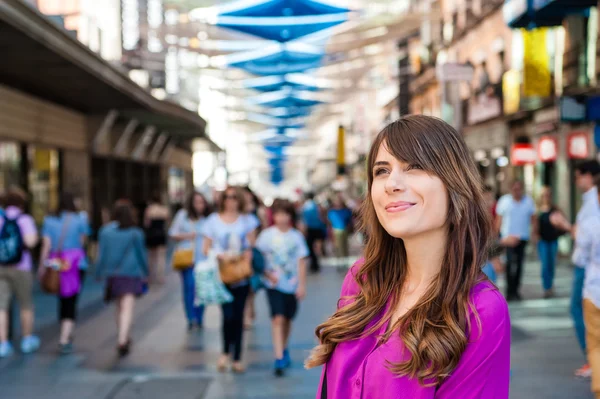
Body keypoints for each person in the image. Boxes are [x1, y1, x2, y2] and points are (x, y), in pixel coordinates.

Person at [306, 115, 510, 398]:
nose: (392, 183)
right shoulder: (363, 278)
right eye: (381, 171)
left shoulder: (480, 309)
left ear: (455, 183)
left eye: (415, 166)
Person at [202, 186, 259, 373]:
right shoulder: (212, 221)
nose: (231, 200)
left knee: (239, 316)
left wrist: (245, 255)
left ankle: (237, 357)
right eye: (227, 197)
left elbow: (252, 246)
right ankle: (225, 352)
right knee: (227, 316)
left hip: (240, 274)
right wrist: (219, 255)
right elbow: (205, 248)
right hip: (221, 275)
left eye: (234, 197)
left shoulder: (247, 221)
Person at [256, 199, 309, 377]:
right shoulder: (266, 236)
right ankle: (278, 356)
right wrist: (266, 274)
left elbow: (302, 262)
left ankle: (284, 347)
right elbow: (257, 258)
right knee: (277, 318)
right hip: (273, 284)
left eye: (285, 214)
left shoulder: (296, 236)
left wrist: (302, 285)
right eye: (278, 214)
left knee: (287, 319)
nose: (281, 218)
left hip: (292, 285)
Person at [38, 192, 90, 355]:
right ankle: (65, 336)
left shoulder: (49, 220)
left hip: (56, 264)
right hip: (75, 263)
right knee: (71, 299)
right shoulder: (80, 220)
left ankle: (65, 332)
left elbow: (46, 245)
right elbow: (82, 241)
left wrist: (41, 265)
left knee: (62, 298)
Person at [95, 200, 148, 357]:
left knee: (119, 307)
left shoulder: (105, 232)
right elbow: (141, 255)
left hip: (114, 274)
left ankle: (122, 335)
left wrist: (98, 273)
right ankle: (123, 338)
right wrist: (146, 272)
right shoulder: (136, 233)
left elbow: (101, 255)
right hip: (131, 273)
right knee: (127, 307)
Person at [0, 188, 40, 358]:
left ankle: (3, 343)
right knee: (26, 304)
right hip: (22, 267)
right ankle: (27, 339)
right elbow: (31, 242)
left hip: (1, 267)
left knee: (1, 307)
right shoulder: (25, 219)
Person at [572, 160, 600, 378]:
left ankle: (592, 362)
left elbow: (583, 250)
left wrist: (567, 227)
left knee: (594, 334)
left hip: (592, 279)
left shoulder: (592, 209)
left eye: (578, 175)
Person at [169, 191, 211, 331]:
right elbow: (172, 233)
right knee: (189, 288)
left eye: (202, 202)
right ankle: (190, 317)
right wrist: (188, 236)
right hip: (187, 258)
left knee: (201, 289)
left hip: (203, 259)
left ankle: (199, 317)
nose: (200, 205)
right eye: (197, 202)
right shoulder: (183, 215)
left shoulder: (208, 219)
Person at [495, 180, 536, 301]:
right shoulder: (504, 201)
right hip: (507, 238)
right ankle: (509, 291)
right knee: (509, 264)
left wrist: (534, 233)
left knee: (519, 264)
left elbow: (533, 218)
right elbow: (498, 219)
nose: (517, 192)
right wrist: (497, 237)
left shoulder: (528, 201)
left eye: (519, 189)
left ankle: (516, 290)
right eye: (514, 189)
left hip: (522, 237)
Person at [535, 186, 571, 298]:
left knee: (551, 265)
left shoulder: (555, 209)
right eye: (544, 195)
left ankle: (550, 285)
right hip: (543, 241)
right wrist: (535, 238)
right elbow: (535, 226)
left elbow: (563, 221)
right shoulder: (538, 210)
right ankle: (547, 287)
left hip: (553, 241)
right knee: (545, 265)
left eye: (548, 195)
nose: (546, 197)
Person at [144, 194, 170, 285]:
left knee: (151, 257)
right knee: (161, 257)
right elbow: (167, 222)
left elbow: (146, 223)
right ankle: (160, 277)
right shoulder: (164, 209)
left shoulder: (149, 209)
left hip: (151, 234)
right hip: (161, 234)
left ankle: (151, 276)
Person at [302, 193, 327, 273]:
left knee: (310, 247)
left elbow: (305, 220)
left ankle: (314, 263)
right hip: (318, 228)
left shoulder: (306, 206)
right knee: (317, 247)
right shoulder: (316, 206)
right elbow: (321, 216)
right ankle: (316, 262)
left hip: (311, 229)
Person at [327, 194, 353, 269]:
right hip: (336, 231)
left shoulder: (346, 210)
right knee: (338, 246)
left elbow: (350, 220)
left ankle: (345, 261)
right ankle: (340, 262)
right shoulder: (332, 212)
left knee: (345, 246)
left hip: (344, 230)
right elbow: (329, 223)